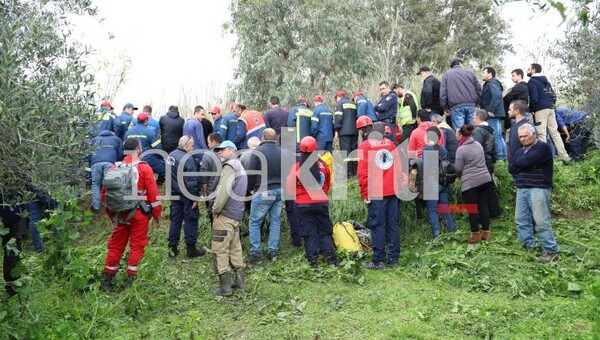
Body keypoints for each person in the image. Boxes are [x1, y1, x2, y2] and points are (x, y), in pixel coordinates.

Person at [101, 138, 162, 290]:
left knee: (115, 245)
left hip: (120, 213)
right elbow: (153, 195)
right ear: (138, 149)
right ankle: (131, 280)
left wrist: (111, 214)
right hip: (139, 213)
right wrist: (157, 215)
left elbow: (105, 195)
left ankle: (107, 280)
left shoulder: (115, 167)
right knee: (137, 245)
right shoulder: (144, 168)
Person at [509, 124, 559, 263]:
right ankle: (528, 245)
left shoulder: (542, 148)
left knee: (541, 221)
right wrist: (526, 164)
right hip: (522, 188)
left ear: (534, 134)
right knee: (521, 219)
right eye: (520, 137)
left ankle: (551, 250)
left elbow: (524, 162)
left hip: (539, 188)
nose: (522, 139)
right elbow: (511, 168)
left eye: (525, 136)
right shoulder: (520, 151)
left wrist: (523, 164)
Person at [355, 116, 401, 269]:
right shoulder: (391, 144)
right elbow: (399, 167)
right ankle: (394, 258)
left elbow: (362, 173)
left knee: (377, 225)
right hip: (393, 191)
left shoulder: (364, 146)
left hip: (376, 192)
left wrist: (364, 193)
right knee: (393, 224)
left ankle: (378, 260)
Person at [286, 136, 336, 268]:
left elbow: (290, 187)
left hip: (302, 204)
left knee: (309, 233)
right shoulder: (324, 165)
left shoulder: (296, 167)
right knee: (324, 231)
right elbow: (327, 184)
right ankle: (330, 258)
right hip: (321, 202)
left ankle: (313, 261)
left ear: (301, 151)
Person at [210, 140, 247, 296]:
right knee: (235, 249)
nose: (220, 152)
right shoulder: (240, 166)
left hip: (224, 215)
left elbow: (223, 192)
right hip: (236, 215)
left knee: (219, 250)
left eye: (222, 150)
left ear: (231, 150)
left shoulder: (229, 167)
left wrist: (215, 209)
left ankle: (224, 289)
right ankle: (240, 283)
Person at [245, 128, 284, 264]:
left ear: (263, 137)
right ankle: (273, 251)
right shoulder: (282, 152)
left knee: (255, 221)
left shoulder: (257, 152)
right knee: (275, 221)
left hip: (264, 191)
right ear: (275, 138)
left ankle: (255, 254)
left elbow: (250, 173)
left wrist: (250, 189)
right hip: (279, 190)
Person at [167, 136, 206, 259]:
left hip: (174, 193)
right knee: (191, 220)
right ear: (185, 146)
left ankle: (172, 249)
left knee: (175, 221)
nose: (193, 148)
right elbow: (192, 180)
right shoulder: (188, 159)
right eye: (192, 145)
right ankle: (191, 249)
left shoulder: (170, 155)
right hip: (186, 195)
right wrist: (194, 197)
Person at [454, 124, 493, 244]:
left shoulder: (461, 149)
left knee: (472, 209)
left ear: (461, 135)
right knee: (483, 206)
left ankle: (475, 235)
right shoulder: (478, 144)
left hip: (470, 182)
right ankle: (486, 233)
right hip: (485, 179)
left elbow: (458, 169)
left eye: (457, 133)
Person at [526, 63, 571, 164]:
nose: (527, 70)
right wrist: (552, 105)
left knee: (541, 134)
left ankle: (544, 161)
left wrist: (532, 110)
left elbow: (534, 98)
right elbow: (554, 95)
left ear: (533, 70)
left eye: (529, 69)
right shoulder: (546, 81)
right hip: (551, 109)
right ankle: (565, 157)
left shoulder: (532, 81)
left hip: (540, 110)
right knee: (555, 133)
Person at [422, 127, 456, 239]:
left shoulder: (427, 150)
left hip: (432, 184)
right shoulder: (443, 149)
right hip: (444, 183)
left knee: (432, 210)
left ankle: (436, 235)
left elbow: (427, 169)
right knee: (445, 209)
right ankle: (452, 232)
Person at [472, 109, 503, 218]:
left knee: (481, 190)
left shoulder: (478, 131)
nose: (472, 119)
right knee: (489, 188)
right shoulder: (489, 130)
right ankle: (495, 211)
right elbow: (494, 148)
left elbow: (476, 147)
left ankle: (484, 215)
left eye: (473, 117)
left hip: (481, 162)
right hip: (489, 161)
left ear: (478, 118)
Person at [440, 58, 482, 131]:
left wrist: (445, 107)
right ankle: (472, 142)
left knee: (459, 132)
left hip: (456, 107)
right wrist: (478, 104)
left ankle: (461, 142)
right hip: (471, 105)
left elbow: (443, 93)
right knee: (472, 131)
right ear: (460, 64)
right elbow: (478, 89)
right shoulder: (470, 73)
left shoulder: (447, 75)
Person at [125, 113, 166, 184]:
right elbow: (158, 149)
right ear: (146, 121)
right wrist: (160, 158)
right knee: (165, 168)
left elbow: (124, 147)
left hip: (131, 158)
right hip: (147, 158)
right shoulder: (150, 132)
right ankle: (159, 182)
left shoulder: (128, 133)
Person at [89, 130, 123, 213]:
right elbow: (120, 153)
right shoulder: (116, 139)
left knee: (95, 184)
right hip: (110, 163)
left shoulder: (94, 139)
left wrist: (90, 162)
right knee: (110, 185)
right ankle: (110, 206)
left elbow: (88, 153)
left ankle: (95, 206)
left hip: (95, 163)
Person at [481, 66, 507, 161]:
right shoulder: (493, 83)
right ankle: (503, 158)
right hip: (495, 113)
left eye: (484, 73)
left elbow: (496, 95)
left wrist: (490, 109)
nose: (482, 75)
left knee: (496, 136)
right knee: (499, 136)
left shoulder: (492, 83)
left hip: (492, 114)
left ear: (489, 74)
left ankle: (500, 159)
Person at [200, 132, 223, 227]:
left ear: (213, 142)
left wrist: (205, 193)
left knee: (213, 216)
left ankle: (216, 236)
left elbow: (204, 177)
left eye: (208, 142)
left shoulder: (207, 155)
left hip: (212, 191)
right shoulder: (229, 151)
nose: (208, 145)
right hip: (227, 189)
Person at [1, 197, 22, 296]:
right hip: (9, 210)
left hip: (11, 212)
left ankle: (13, 285)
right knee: (12, 250)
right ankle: (12, 286)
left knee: (13, 250)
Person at [334, 90, 358, 176]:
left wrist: (336, 130)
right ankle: (355, 172)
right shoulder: (353, 104)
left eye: (336, 98)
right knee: (354, 152)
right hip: (355, 131)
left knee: (345, 152)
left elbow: (338, 118)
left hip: (344, 132)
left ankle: (348, 173)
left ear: (338, 97)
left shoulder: (340, 104)